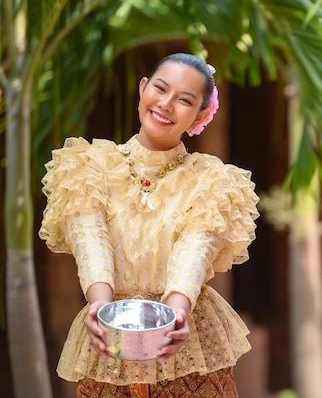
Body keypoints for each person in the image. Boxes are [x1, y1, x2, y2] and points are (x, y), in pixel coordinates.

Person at [39, 52, 259, 398]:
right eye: (161, 88)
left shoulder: (213, 180)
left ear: (201, 115)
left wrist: (176, 315)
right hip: (108, 335)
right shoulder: (89, 165)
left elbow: (194, 252)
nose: (167, 104)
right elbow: (90, 239)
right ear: (143, 89)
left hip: (188, 341)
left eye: (185, 100)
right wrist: (99, 305)